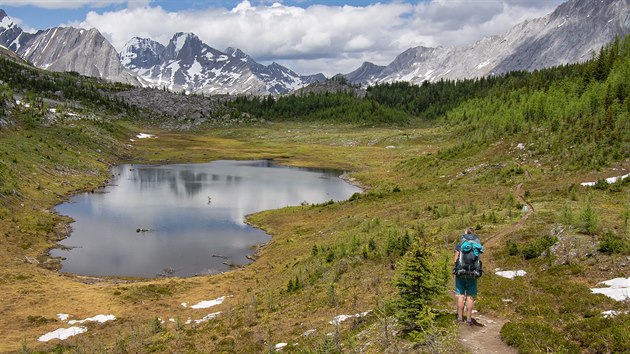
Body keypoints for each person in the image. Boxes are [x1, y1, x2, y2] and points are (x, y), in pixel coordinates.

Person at [453, 227, 480, 325]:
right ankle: (469, 319)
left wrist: (456, 268)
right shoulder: (477, 244)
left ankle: (460, 318)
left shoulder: (460, 244)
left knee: (460, 295)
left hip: (461, 272)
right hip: (473, 273)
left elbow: (456, 258)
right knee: (470, 296)